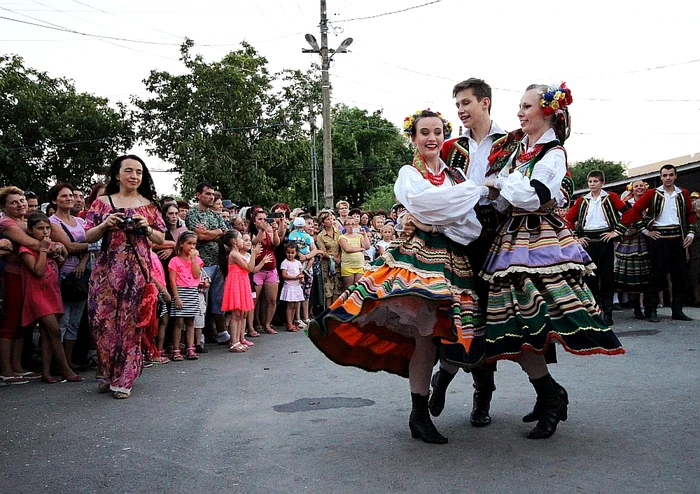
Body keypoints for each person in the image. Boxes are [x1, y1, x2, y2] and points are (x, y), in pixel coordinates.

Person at [309, 109, 487, 444]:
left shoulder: (456, 178)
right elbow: (422, 202)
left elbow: (470, 226)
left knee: (452, 333)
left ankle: (452, 393)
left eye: (438, 132)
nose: (432, 138)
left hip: (454, 260)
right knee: (423, 336)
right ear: (414, 138)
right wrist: (439, 211)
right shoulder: (409, 172)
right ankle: (418, 414)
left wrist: (434, 217)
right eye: (425, 133)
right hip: (419, 258)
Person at [482, 83, 624, 439]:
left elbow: (536, 196)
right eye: (519, 105)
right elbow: (504, 199)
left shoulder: (553, 153)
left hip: (540, 241)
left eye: (526, 106)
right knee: (518, 324)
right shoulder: (519, 152)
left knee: (532, 323)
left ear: (546, 111)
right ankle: (548, 393)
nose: (519, 112)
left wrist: (500, 182)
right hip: (512, 240)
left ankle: (549, 397)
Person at [430, 78, 517, 428]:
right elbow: (430, 182)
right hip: (458, 234)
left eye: (466, 103)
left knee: (491, 317)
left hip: (497, 233)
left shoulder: (512, 142)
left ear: (485, 102)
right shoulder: (450, 147)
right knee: (456, 312)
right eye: (457, 105)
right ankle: (443, 380)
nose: (461, 111)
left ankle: (482, 397)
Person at [84, 155, 166, 399]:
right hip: (106, 271)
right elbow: (88, 236)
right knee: (102, 323)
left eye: (139, 172)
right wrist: (106, 224)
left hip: (137, 272)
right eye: (128, 171)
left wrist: (146, 227)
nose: (134, 176)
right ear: (117, 174)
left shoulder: (149, 205)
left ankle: (124, 378)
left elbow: (161, 238)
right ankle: (109, 372)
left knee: (131, 325)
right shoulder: (102, 203)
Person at [621, 164, 697, 322]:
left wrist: (690, 233)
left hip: (678, 238)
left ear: (675, 176)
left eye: (670, 175)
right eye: (665, 175)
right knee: (656, 277)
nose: (668, 178)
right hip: (659, 239)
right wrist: (645, 231)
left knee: (679, 277)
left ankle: (677, 310)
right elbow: (635, 212)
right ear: (661, 177)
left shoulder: (682, 193)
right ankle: (652, 310)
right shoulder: (653, 194)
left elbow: (690, 214)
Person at [0, 186, 60, 385]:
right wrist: (55, 248)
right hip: (14, 276)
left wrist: (56, 247)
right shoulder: (7, 223)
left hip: (30, 277)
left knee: (23, 325)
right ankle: (6, 370)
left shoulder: (26, 221)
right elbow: (32, 243)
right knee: (10, 322)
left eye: (21, 200)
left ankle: (17, 367)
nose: (20, 204)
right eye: (13, 202)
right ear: (4, 206)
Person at [19, 212, 83, 384]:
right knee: (54, 330)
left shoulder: (50, 246)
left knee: (48, 335)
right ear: (30, 231)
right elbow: (38, 271)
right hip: (37, 295)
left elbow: (59, 264)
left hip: (52, 292)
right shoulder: (26, 250)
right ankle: (65, 369)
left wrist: (59, 253)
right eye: (40, 229)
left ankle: (46, 372)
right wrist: (43, 250)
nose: (45, 232)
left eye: (47, 228)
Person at [565, 170, 628, 325]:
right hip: (588, 241)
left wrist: (616, 232)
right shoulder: (582, 200)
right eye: (590, 182)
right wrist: (577, 237)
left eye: (595, 181)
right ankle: (594, 311)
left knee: (607, 277)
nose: (592, 184)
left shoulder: (611, 197)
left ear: (602, 183)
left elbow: (628, 213)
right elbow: (568, 219)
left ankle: (608, 313)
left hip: (605, 240)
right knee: (590, 277)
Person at [48, 183, 90, 370]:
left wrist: (83, 261)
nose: (69, 198)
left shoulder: (81, 222)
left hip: (81, 274)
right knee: (62, 322)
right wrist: (90, 247)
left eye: (71, 195)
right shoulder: (53, 222)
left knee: (75, 322)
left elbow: (92, 243)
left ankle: (68, 361)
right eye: (64, 196)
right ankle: (58, 364)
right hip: (62, 274)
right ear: (54, 200)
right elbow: (71, 247)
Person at [185, 183, 228, 344]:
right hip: (201, 264)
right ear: (198, 195)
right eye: (207, 194)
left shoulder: (216, 215)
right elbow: (199, 237)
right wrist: (214, 233)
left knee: (218, 300)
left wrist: (211, 232)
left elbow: (223, 233)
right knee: (202, 301)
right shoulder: (192, 214)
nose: (211, 197)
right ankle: (199, 336)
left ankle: (222, 332)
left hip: (217, 262)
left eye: (212, 194)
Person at [221, 230, 269, 352]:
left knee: (241, 313)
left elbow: (251, 268)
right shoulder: (234, 254)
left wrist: (253, 256)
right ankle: (234, 342)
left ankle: (237, 340)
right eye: (241, 238)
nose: (243, 241)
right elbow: (249, 268)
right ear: (234, 241)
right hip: (236, 283)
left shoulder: (238, 254)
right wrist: (253, 254)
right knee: (236, 314)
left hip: (242, 282)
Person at [614, 180, 652, 319]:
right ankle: (636, 308)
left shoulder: (651, 203)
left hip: (648, 242)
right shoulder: (626, 204)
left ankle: (649, 308)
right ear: (632, 189)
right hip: (631, 244)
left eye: (642, 185)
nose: (639, 188)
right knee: (633, 279)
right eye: (636, 186)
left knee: (648, 278)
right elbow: (621, 222)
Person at [168, 231, 203, 361]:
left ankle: (190, 348)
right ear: (182, 244)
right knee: (179, 321)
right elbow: (172, 280)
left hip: (192, 290)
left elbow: (196, 275)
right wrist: (176, 296)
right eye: (189, 243)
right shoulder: (175, 261)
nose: (192, 246)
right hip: (181, 291)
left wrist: (193, 259)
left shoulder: (197, 260)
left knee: (190, 321)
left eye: (194, 244)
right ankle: (176, 349)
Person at [249, 208, 281, 334]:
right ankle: (252, 326)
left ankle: (267, 324)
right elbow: (255, 241)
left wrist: (275, 230)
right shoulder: (251, 232)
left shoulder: (269, 231)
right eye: (260, 219)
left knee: (272, 300)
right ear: (254, 221)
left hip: (271, 269)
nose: (263, 221)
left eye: (264, 219)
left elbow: (276, 243)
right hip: (257, 270)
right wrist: (262, 230)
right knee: (254, 301)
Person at [316, 210, 344, 308]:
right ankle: (328, 312)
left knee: (337, 289)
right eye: (328, 219)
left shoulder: (339, 232)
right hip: (327, 265)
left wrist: (339, 257)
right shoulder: (320, 236)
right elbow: (322, 251)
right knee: (328, 291)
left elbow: (342, 246)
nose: (331, 221)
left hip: (339, 264)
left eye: (331, 219)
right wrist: (332, 258)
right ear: (323, 222)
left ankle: (335, 310)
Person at [338, 214, 371, 289]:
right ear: (344, 226)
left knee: (357, 287)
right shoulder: (342, 237)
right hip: (348, 266)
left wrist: (365, 235)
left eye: (353, 224)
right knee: (348, 287)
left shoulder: (359, 236)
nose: (351, 226)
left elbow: (367, 246)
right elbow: (348, 249)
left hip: (359, 265)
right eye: (348, 224)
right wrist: (360, 249)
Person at [280, 242, 305, 332]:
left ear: (296, 253)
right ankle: (289, 323)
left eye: (292, 253)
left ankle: (293, 322)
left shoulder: (298, 263)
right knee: (290, 305)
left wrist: (301, 279)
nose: (290, 255)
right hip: (289, 286)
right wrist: (295, 277)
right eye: (288, 252)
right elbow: (284, 275)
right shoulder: (285, 263)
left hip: (297, 286)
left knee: (295, 305)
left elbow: (301, 274)